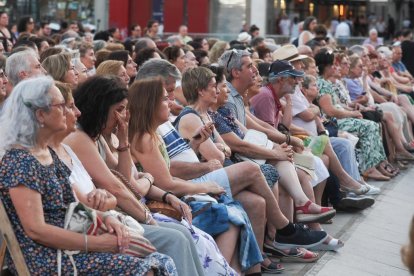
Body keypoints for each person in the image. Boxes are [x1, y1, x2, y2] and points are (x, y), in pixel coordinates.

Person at [0, 76, 176, 275]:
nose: (72, 112)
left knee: (157, 260)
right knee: (146, 268)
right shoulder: (21, 161)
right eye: (62, 106)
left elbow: (73, 206)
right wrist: (98, 244)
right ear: (40, 115)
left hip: (67, 246)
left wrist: (105, 219)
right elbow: (36, 230)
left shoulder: (46, 154)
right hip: (46, 259)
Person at [63, 75, 205, 276]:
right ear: (100, 108)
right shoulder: (79, 138)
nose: (124, 116)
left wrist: (123, 141)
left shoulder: (96, 137)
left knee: (182, 233)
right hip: (108, 220)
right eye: (119, 110)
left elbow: (124, 178)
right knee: (176, 238)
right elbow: (120, 187)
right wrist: (147, 215)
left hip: (117, 214)